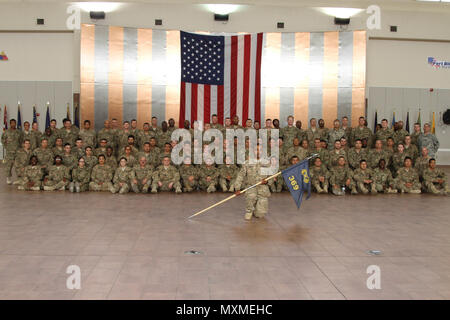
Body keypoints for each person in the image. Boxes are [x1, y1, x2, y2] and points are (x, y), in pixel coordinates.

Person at [234, 144, 274, 221]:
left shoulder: (267, 163)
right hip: (251, 187)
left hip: (263, 188)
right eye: (256, 150)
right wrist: (237, 188)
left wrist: (267, 181)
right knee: (251, 197)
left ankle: (257, 208)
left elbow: (271, 176)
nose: (258, 152)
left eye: (260, 150)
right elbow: (240, 176)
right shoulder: (247, 163)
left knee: (260, 214)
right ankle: (249, 211)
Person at [1, 119, 21, 184]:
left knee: (17, 165)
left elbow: (21, 140)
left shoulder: (18, 132)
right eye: (12, 123)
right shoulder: (6, 132)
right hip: (9, 152)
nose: (13, 124)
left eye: (14, 123)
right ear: (10, 124)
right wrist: (6, 147)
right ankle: (8, 178)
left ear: (15, 124)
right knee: (9, 165)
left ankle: (18, 178)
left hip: (17, 152)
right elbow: (2, 140)